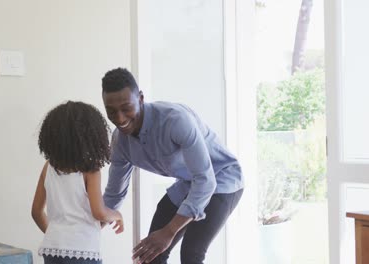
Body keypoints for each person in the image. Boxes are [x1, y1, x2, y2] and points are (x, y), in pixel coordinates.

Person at [101, 68, 244, 264]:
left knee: (191, 254)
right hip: (187, 183)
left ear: (140, 98)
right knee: (149, 256)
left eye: (126, 108)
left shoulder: (175, 120)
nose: (120, 118)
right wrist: (85, 229)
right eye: (111, 111)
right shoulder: (120, 142)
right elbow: (113, 195)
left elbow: (205, 180)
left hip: (221, 179)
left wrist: (169, 231)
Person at [31, 101, 124, 264]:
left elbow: (36, 212)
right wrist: (117, 215)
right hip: (83, 251)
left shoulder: (49, 167)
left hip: (52, 249)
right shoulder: (91, 170)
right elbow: (99, 213)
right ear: (93, 136)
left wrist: (56, 236)